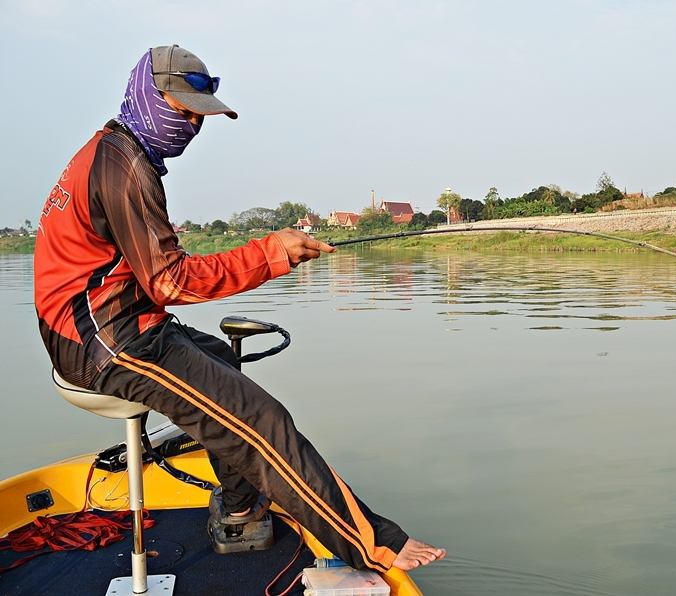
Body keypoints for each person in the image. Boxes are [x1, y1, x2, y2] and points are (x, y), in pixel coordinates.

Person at [33, 44, 445, 572]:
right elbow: (170, 280)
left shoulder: (113, 151)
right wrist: (270, 254)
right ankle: (373, 543)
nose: (190, 127)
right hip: (103, 341)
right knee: (262, 420)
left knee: (224, 364)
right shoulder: (126, 169)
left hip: (118, 322)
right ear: (146, 94)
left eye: (198, 118)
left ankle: (242, 505)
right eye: (181, 112)